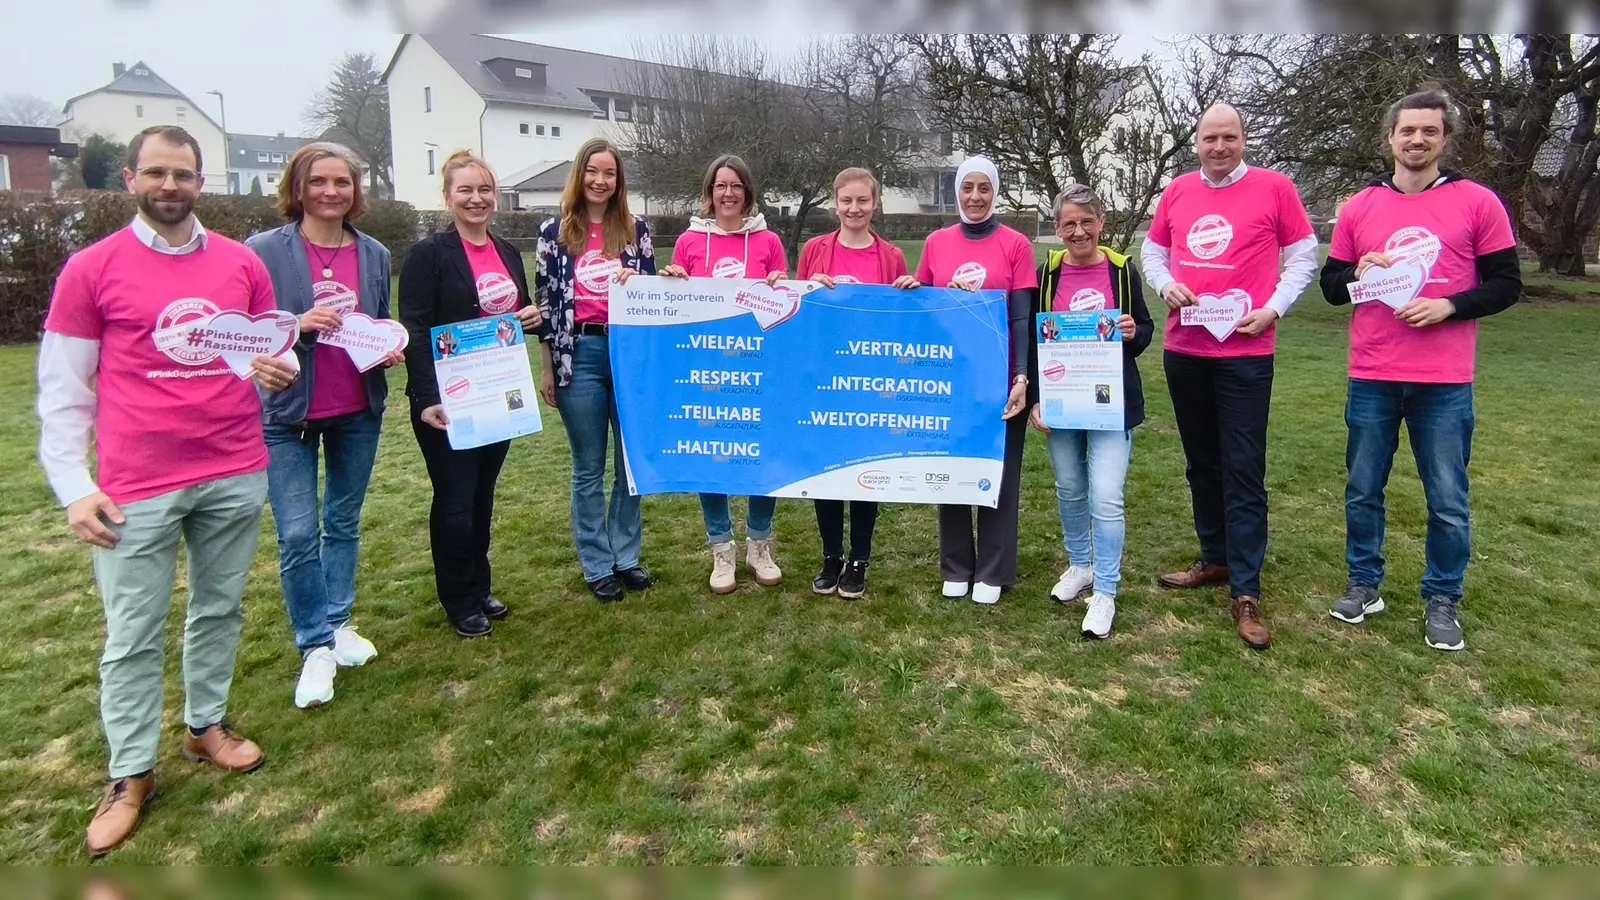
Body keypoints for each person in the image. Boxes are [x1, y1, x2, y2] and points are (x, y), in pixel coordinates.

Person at [35, 125, 299, 856]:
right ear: (130, 180)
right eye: (156, 173)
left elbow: (262, 354)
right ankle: (129, 772)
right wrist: (73, 487)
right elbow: (61, 393)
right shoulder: (91, 270)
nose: (170, 186)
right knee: (133, 633)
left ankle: (205, 726)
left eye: (182, 174)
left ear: (201, 180)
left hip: (233, 465)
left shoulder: (241, 265)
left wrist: (282, 369)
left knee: (219, 607)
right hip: (134, 484)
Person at [1318, 89, 1521, 651]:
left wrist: (1450, 305)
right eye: (1407, 131)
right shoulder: (1360, 207)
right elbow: (1333, 289)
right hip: (1374, 372)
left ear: (1444, 138)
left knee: (1448, 499)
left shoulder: (1477, 202)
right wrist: (1359, 268)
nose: (1416, 140)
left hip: (1445, 380)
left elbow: (1507, 283)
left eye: (1429, 131)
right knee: (1363, 489)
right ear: (1390, 138)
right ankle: (1365, 583)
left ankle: (1443, 596)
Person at [1140, 104, 1319, 650]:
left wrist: (1276, 308)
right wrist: (1165, 283)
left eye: (1229, 137)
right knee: (1201, 464)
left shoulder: (1275, 188)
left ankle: (1247, 589)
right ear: (1195, 142)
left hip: (1245, 351)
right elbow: (1153, 249)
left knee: (1243, 469)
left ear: (1244, 139)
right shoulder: (1177, 192)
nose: (1219, 147)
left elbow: (1305, 255)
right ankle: (1214, 559)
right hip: (1186, 348)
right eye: (1209, 138)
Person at [245, 142, 402, 710]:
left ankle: (337, 623)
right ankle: (313, 643)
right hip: (287, 413)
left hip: (356, 407)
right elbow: (244, 333)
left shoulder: (375, 253)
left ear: (355, 191)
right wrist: (296, 324)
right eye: (319, 181)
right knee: (295, 532)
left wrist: (385, 347)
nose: (331, 192)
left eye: (342, 182)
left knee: (343, 521)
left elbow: (378, 319)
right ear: (298, 186)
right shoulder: (263, 250)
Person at [400, 150, 543, 638]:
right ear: (448, 197)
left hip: (496, 392)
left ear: (495, 197)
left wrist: (530, 317)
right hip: (449, 398)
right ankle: (458, 599)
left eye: (484, 189)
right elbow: (415, 327)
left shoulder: (505, 252)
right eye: (465, 190)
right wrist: (424, 398)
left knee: (482, 496)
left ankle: (479, 586)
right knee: (455, 500)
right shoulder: (429, 254)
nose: (476, 198)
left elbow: (510, 316)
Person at [1026, 183, 1154, 639]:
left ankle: (1106, 591)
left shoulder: (1122, 271)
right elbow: (1037, 341)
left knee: (1105, 496)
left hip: (1109, 404)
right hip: (1062, 401)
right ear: (1057, 229)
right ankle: (1080, 565)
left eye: (1086, 222)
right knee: (1070, 487)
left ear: (1101, 224)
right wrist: (1037, 397)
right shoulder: (1048, 275)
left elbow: (1145, 334)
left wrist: (1132, 331)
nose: (1078, 232)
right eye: (1068, 224)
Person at [660, 154, 789, 594]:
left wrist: (780, 285)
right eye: (720, 186)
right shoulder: (688, 243)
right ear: (709, 193)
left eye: (736, 185)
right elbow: (677, 306)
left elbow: (785, 303)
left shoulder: (769, 240)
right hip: (707, 366)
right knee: (710, 453)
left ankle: (759, 544)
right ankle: (721, 549)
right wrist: (673, 282)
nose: (728, 193)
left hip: (758, 365)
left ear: (748, 192)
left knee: (761, 450)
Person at [534, 138, 656, 603]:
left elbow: (653, 298)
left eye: (609, 174)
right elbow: (545, 303)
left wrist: (641, 280)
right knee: (588, 468)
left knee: (629, 464)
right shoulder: (554, 232)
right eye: (593, 172)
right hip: (577, 354)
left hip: (628, 353)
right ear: (579, 176)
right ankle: (596, 563)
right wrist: (548, 368)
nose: (600, 181)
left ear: (618, 181)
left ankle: (626, 556)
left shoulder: (636, 230)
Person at [914, 156, 1035, 606]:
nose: (976, 197)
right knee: (952, 470)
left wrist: (1022, 375)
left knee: (1001, 473)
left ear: (995, 192)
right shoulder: (936, 243)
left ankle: (993, 568)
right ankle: (957, 564)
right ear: (957, 191)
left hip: (1002, 380)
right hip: (950, 378)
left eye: (985, 188)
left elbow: (1022, 315)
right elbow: (922, 312)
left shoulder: (1016, 244)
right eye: (968, 188)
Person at [797, 167, 918, 600]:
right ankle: (831, 556)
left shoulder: (892, 257)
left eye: (862, 201)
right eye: (846, 200)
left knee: (867, 469)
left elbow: (902, 324)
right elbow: (799, 315)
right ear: (835, 203)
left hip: (872, 379)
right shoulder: (814, 250)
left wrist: (908, 291)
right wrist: (809, 288)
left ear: (875, 204)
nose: (854, 208)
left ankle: (860, 559)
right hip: (824, 376)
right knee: (828, 470)